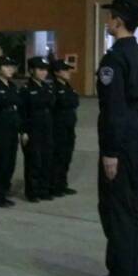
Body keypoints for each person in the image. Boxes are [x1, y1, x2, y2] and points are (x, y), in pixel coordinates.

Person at [89, 0, 138, 276]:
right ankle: (132, 271)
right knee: (135, 208)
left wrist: (111, 153)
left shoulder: (115, 59)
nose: (107, 21)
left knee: (116, 209)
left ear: (118, 21)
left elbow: (114, 109)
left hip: (123, 145)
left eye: (109, 17)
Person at [19, 56, 55, 202]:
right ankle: (32, 192)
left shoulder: (47, 87)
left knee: (46, 160)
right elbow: (22, 112)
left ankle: (44, 189)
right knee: (34, 162)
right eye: (40, 69)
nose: (43, 73)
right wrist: (23, 131)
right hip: (32, 129)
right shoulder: (26, 89)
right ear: (32, 70)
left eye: (45, 70)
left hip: (47, 128)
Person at [0, 56, 20, 207]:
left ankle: (3, 191)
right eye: (6, 67)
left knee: (10, 162)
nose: (10, 69)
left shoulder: (12, 86)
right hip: (0, 128)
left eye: (11, 66)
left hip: (12, 127)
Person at [50, 59, 79, 197]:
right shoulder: (53, 88)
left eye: (68, 69)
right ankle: (54, 186)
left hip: (69, 127)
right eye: (65, 70)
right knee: (58, 157)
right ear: (56, 73)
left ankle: (62, 184)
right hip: (58, 127)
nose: (68, 72)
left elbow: (75, 102)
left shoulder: (68, 86)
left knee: (67, 156)